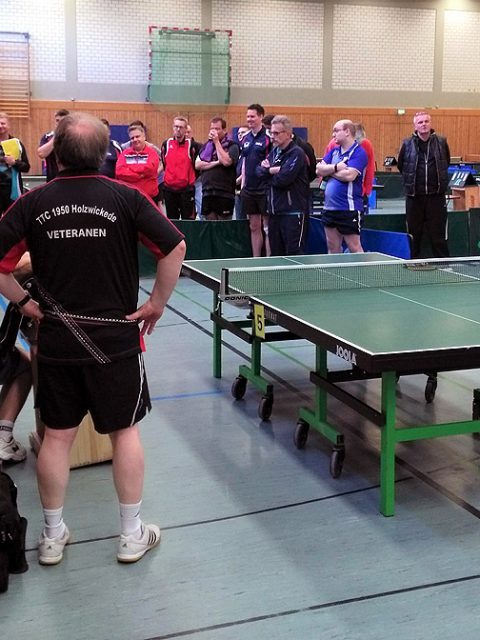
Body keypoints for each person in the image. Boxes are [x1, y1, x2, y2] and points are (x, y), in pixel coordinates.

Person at [0, 112, 186, 566]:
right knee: (125, 433)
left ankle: (51, 537)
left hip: (57, 342)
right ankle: (131, 534)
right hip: (116, 344)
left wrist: (23, 303)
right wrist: (157, 303)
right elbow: (175, 246)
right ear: (104, 153)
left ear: (57, 153)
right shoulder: (126, 198)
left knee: (57, 438)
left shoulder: (33, 202)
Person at [397, 111, 450, 258]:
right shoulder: (407, 144)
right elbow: (401, 165)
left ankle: (444, 263)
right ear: (415, 126)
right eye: (420, 122)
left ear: (430, 123)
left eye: (426, 121)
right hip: (415, 196)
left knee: (438, 234)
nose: (424, 124)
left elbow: (446, 162)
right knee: (414, 233)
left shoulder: (441, 142)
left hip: (436, 196)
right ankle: (413, 262)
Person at [256, 116, 309, 255]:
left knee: (293, 254)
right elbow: (258, 172)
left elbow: (283, 180)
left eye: (276, 133)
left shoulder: (296, 153)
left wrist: (268, 172)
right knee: (276, 254)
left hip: (293, 213)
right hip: (274, 213)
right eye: (271, 133)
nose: (272, 137)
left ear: (288, 134)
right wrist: (272, 171)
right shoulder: (274, 153)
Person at [316, 119, 368, 253]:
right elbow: (318, 170)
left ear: (347, 132)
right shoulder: (334, 152)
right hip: (329, 208)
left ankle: (362, 268)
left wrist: (329, 170)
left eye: (336, 131)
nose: (333, 134)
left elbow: (349, 176)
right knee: (332, 246)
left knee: (354, 247)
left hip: (348, 208)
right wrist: (336, 167)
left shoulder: (359, 152)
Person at [239, 104, 271, 256]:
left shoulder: (268, 138)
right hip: (249, 189)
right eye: (248, 116)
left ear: (261, 117)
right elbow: (244, 163)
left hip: (264, 189)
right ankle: (256, 258)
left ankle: (269, 260)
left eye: (252, 116)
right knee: (254, 226)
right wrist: (243, 185)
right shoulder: (245, 138)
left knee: (267, 227)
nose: (249, 119)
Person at [323, 122, 375, 212]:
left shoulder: (364, 145)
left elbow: (369, 168)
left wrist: (367, 190)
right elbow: (322, 166)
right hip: (334, 193)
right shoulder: (334, 143)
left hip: (354, 194)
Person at [195, 117, 240, 221]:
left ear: (224, 130)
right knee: (210, 225)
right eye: (212, 129)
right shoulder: (206, 146)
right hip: (207, 191)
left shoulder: (232, 145)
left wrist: (216, 142)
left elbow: (226, 162)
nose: (214, 131)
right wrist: (216, 163)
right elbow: (198, 164)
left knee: (223, 226)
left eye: (217, 129)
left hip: (224, 192)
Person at [161, 116, 198, 220]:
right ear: (173, 127)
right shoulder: (166, 144)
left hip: (186, 191)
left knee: (189, 222)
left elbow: (196, 165)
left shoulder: (192, 146)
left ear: (186, 129)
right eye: (176, 126)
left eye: (181, 127)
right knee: (172, 222)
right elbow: (164, 163)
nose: (178, 129)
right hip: (169, 190)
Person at [115, 124, 160, 201]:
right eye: (132, 138)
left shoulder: (152, 153)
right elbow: (119, 172)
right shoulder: (125, 153)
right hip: (129, 197)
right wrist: (140, 175)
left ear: (144, 137)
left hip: (149, 198)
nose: (135, 139)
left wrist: (130, 170)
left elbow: (150, 169)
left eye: (137, 136)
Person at [0, 112, 30, 215]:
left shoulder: (17, 144)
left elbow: (26, 167)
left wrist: (14, 163)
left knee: (12, 219)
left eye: (3, 123)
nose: (0, 126)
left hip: (12, 190)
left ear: (8, 125)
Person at [37, 109, 70, 182]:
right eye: (57, 121)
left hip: (70, 178)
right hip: (53, 179)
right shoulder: (48, 137)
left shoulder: (74, 137)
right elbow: (41, 154)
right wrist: (56, 136)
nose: (60, 124)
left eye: (63, 121)